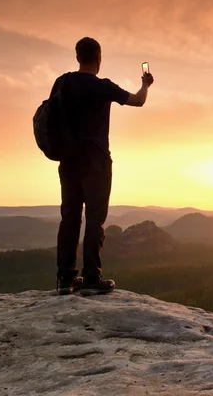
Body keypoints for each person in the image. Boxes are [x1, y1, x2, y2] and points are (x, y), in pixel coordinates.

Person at [53, 37, 154, 295]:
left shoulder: (62, 83)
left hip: (68, 161)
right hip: (96, 163)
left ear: (77, 57)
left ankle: (65, 279)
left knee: (70, 217)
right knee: (95, 219)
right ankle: (91, 277)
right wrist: (145, 84)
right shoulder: (102, 87)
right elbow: (138, 100)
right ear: (98, 58)